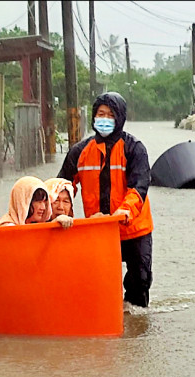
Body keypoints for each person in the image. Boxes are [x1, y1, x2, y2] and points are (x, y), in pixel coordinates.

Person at [56, 92, 154, 308]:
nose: (105, 119)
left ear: (120, 118)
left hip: (134, 229)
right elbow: (61, 188)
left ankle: (135, 328)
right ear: (93, 117)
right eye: (101, 114)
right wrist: (60, 213)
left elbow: (139, 187)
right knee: (98, 284)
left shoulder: (134, 149)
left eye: (111, 115)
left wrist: (125, 211)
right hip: (98, 230)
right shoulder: (79, 151)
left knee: (140, 282)